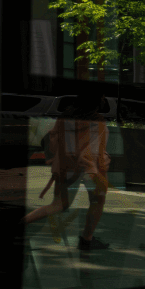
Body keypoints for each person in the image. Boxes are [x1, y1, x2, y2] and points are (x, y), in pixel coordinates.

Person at [22, 94, 111, 251]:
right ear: (97, 105)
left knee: (58, 204)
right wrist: (93, 171)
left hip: (66, 167)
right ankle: (86, 240)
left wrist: (55, 161)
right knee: (98, 201)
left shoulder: (65, 117)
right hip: (91, 169)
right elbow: (91, 151)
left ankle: (21, 224)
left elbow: (52, 140)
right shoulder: (98, 121)